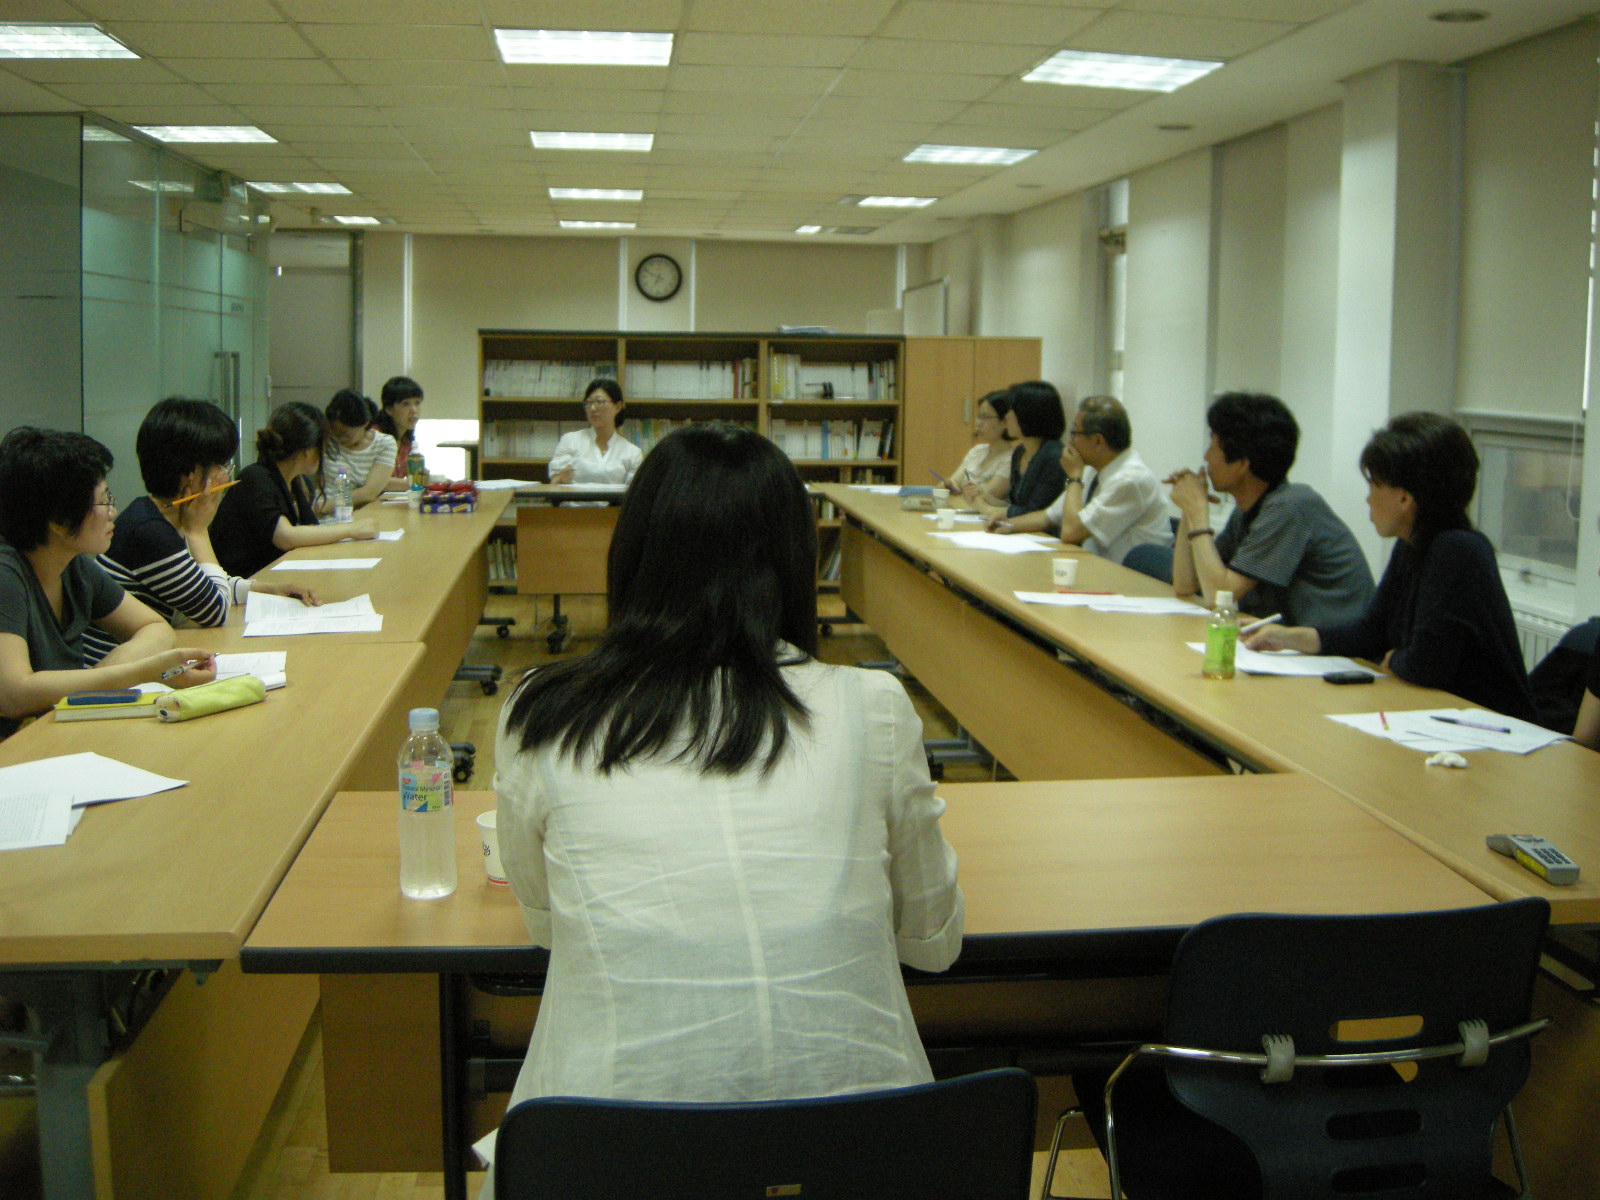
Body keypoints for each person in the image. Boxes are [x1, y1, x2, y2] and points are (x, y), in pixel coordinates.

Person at [478, 423, 963, 1187]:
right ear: (798, 561)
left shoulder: (543, 713)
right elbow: (933, 941)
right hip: (857, 1153)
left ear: (632, 552)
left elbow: (544, 924)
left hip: (607, 1152)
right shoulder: (871, 706)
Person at [1247, 413, 1538, 721]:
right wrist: (1289, 637)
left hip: (1491, 726)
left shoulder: (1457, 550)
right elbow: (1370, 634)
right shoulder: (1412, 544)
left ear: (1404, 498)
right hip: (1439, 716)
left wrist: (1395, 658)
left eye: (1374, 484)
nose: (1368, 498)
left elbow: (1426, 666)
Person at [0, 427, 215, 739]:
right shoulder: (6, 574)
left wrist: (102, 678)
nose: (113, 511)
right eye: (103, 502)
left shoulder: (73, 564)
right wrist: (139, 672)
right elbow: (13, 694)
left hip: (55, 731)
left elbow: (155, 627)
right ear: (59, 521)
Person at [85, 399, 318, 663]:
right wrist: (198, 532)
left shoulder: (160, 516)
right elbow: (214, 610)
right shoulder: (149, 531)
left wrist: (270, 590)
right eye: (221, 466)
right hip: (114, 674)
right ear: (193, 475)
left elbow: (203, 583)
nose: (226, 476)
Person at [1170, 392, 1373, 626]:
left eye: (1213, 446)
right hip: (1286, 641)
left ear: (1242, 463)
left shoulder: (1290, 507)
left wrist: (1198, 512)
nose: (1206, 457)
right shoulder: (1248, 510)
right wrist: (1189, 509)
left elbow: (1218, 597)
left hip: (1332, 645)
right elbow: (1185, 584)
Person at [988, 395, 1170, 564]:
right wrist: (1008, 524)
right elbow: (1049, 516)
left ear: (1097, 441)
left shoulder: (1131, 480)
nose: (1069, 442)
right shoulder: (1093, 469)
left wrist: (1074, 477)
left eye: (1075, 433)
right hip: (1096, 569)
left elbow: (1071, 532)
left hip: (1129, 579)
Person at [209, 402, 376, 579]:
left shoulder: (297, 482)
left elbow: (309, 529)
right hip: (243, 581)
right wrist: (350, 529)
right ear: (308, 450)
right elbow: (285, 537)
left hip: (273, 576)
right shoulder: (256, 478)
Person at [973, 380, 1066, 520]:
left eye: (1012, 410)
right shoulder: (1020, 452)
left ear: (1028, 413)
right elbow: (1015, 505)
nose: (1006, 416)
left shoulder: (1054, 455)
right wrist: (983, 497)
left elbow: (1036, 512)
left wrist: (985, 507)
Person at [547, 377, 644, 485]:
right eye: (589, 403)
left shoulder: (632, 453)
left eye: (599, 402)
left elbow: (635, 491)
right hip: (575, 496)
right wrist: (561, 478)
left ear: (618, 406)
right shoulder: (570, 441)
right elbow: (554, 483)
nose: (592, 408)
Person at [321, 389, 403, 510]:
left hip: (359, 513)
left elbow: (369, 492)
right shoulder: (326, 440)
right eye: (334, 431)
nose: (339, 438)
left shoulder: (384, 444)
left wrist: (322, 507)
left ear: (365, 424)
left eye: (345, 434)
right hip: (325, 515)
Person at [949, 389, 1014, 510]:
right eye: (979, 417)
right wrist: (950, 485)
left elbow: (987, 496)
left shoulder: (1012, 458)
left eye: (985, 417)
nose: (979, 423)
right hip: (961, 510)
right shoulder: (977, 451)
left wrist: (968, 491)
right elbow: (953, 481)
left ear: (1004, 422)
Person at [374, 375, 424, 483]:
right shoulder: (375, 437)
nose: (414, 410)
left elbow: (409, 475)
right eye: (406, 404)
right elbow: (376, 482)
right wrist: (418, 482)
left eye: (417, 403)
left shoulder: (406, 440)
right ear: (389, 409)